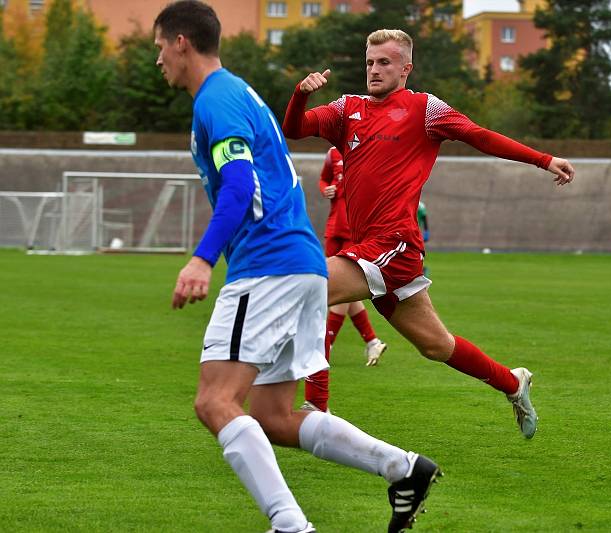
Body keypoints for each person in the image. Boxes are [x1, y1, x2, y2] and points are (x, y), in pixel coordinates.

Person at [154, 5, 440, 532]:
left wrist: (201, 258)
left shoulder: (216, 101)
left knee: (215, 401)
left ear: (180, 43)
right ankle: (405, 469)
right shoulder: (238, 92)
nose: (158, 61)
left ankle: (291, 526)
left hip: (268, 268)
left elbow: (239, 186)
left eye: (158, 48)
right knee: (273, 415)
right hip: (303, 266)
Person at [282, 28, 575, 440]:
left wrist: (544, 159)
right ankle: (513, 383)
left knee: (307, 287)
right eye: (369, 62)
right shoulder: (347, 108)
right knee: (437, 346)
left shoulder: (425, 109)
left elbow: (480, 136)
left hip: (393, 245)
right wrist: (300, 94)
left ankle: (317, 407)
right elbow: (294, 128)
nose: (374, 70)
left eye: (384, 62)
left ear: (406, 67)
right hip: (370, 250)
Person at [302, 146, 388, 413]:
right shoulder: (331, 152)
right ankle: (372, 341)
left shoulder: (370, 149)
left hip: (355, 231)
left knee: (335, 292)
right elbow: (324, 179)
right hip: (333, 228)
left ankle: (327, 345)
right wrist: (324, 188)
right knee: (339, 291)